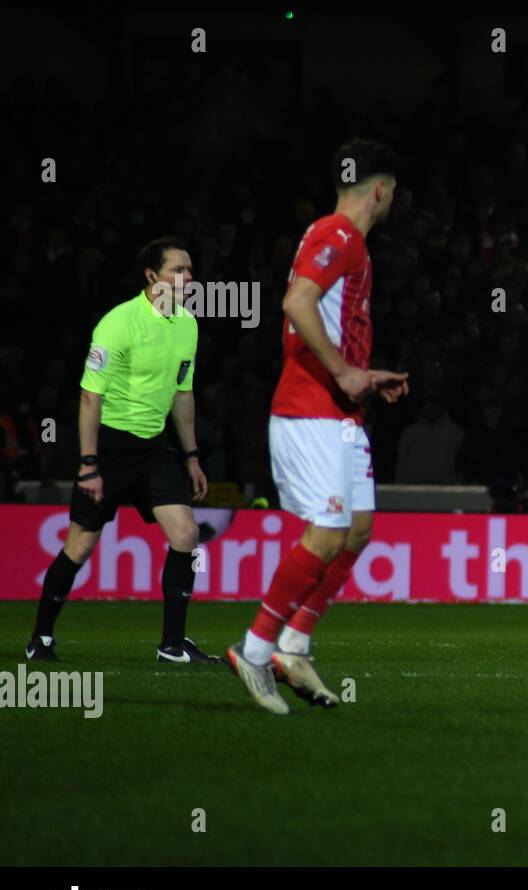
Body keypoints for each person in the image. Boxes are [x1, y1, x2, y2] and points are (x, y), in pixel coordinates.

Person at [226, 140, 410, 715]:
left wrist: (361, 376)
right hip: (311, 407)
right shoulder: (339, 234)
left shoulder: (335, 237)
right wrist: (343, 372)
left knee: (357, 529)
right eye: (392, 192)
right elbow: (296, 302)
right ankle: (255, 649)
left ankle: (295, 644)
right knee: (328, 533)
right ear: (380, 189)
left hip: (340, 411)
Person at [25, 238, 217, 664]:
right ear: (151, 276)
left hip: (153, 447)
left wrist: (191, 456)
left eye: (190, 270)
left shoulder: (188, 324)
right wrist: (89, 464)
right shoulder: (119, 322)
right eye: (178, 271)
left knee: (186, 535)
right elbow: (89, 397)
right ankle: (41, 637)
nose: (188, 279)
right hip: (109, 447)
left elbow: (183, 394)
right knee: (79, 547)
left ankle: (172, 644)